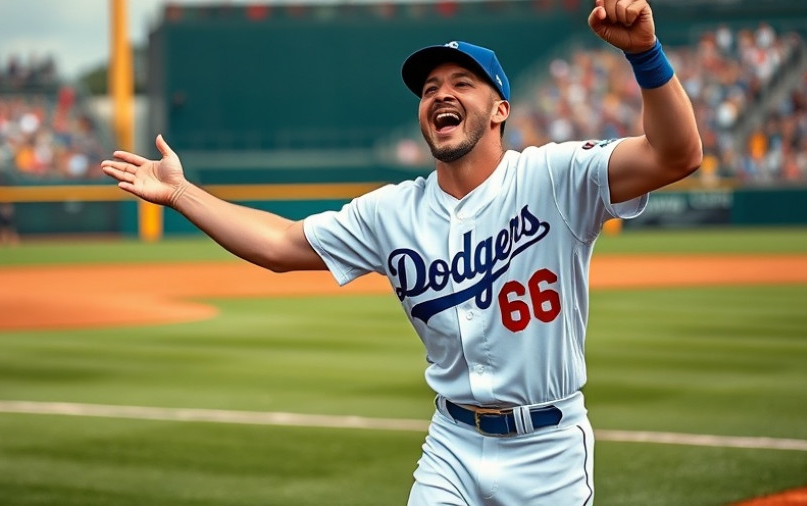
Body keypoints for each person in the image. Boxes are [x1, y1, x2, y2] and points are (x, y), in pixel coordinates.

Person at [101, 0, 701, 503]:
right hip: (452, 447)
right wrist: (180, 192)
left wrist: (643, 54)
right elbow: (282, 245)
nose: (442, 94)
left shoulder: (555, 175)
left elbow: (676, 154)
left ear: (500, 110)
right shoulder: (393, 212)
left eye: (463, 83)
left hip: (549, 450)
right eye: (430, 89)